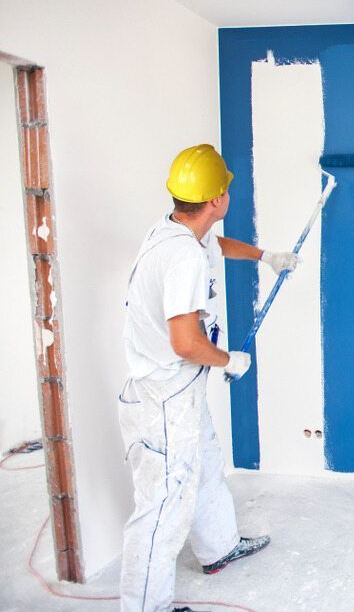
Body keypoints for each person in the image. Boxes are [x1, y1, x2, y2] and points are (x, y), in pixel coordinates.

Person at [119, 144, 299, 611]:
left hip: (177, 389)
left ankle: (218, 549)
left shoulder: (178, 232)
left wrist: (266, 256)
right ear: (218, 199)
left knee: (204, 463)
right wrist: (228, 360)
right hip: (164, 397)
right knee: (161, 510)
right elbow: (184, 341)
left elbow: (217, 245)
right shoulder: (183, 260)